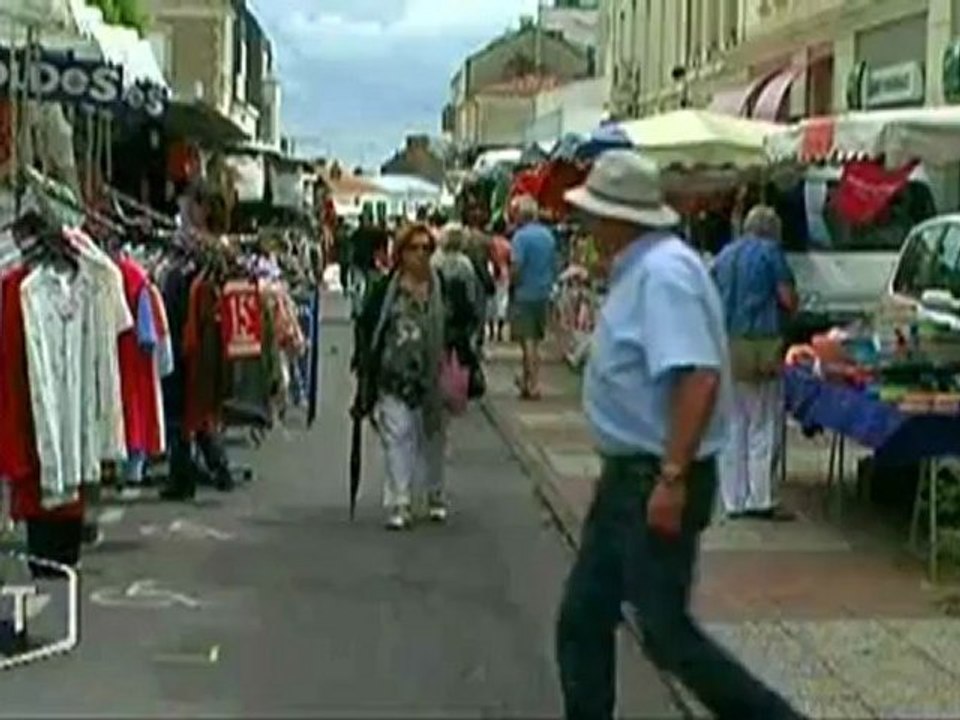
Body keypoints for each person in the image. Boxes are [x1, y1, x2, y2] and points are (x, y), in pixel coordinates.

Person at [557, 151, 804, 720]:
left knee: (664, 633)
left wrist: (671, 477)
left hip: (653, 474)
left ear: (622, 219)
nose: (589, 228)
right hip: (634, 474)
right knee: (585, 619)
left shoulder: (662, 274)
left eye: (595, 216)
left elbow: (696, 375)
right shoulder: (646, 268)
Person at [354, 223, 449, 531]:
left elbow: (461, 318)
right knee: (398, 435)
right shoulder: (386, 289)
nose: (421, 255)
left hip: (432, 374)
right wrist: (364, 364)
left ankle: (434, 493)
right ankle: (400, 502)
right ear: (401, 252)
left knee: (431, 438)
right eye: (414, 248)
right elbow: (367, 325)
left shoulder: (440, 286)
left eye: (426, 249)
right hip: (393, 374)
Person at [711, 205, 798, 520]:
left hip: (726, 344)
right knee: (763, 421)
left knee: (734, 423)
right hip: (761, 344)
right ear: (773, 230)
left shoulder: (724, 254)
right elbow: (787, 297)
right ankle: (760, 498)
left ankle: (733, 498)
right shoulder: (770, 253)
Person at [510, 195, 557, 399]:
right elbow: (554, 264)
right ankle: (527, 380)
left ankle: (533, 384)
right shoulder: (548, 236)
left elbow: (516, 266)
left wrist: (512, 283)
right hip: (543, 292)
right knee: (535, 340)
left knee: (527, 342)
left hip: (524, 293)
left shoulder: (520, 237)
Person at [432, 223, 483, 374]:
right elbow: (471, 290)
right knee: (460, 346)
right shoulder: (465, 263)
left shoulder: (435, 261)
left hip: (439, 308)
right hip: (461, 313)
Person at [488, 218, 512, 342]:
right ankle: (500, 331)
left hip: (490, 272)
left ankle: (491, 331)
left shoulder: (489, 242)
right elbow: (510, 260)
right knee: (502, 302)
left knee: (491, 303)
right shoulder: (507, 244)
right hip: (503, 273)